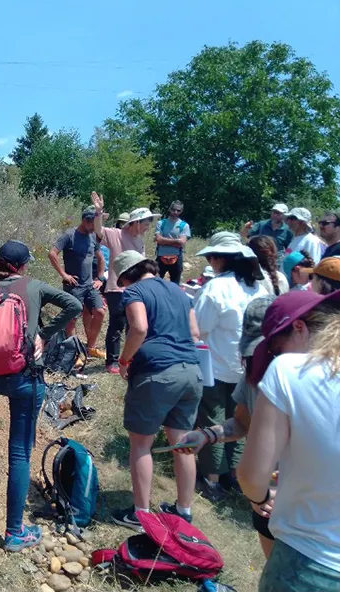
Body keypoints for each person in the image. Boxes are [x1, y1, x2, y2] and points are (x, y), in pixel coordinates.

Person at [0, 240, 82, 552]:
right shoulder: (34, 287)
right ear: (22, 266)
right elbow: (74, 306)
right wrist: (45, 336)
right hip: (26, 377)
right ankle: (13, 533)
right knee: (19, 452)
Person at [237, 289, 340, 592]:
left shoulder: (290, 371)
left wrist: (259, 497)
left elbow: (252, 476)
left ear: (299, 327)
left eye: (278, 349)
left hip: (310, 564)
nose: (278, 358)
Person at [107, 251, 203, 531]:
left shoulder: (135, 291)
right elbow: (195, 333)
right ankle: (183, 512)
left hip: (157, 373)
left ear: (127, 276)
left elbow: (138, 327)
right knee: (182, 445)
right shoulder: (179, 290)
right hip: (191, 371)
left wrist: (124, 360)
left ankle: (141, 516)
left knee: (140, 444)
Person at [177, 296, 277, 558]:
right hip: (266, 498)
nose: (262, 357)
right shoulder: (254, 372)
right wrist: (206, 435)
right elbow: (243, 422)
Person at [193, 232, 267, 501]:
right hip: (249, 367)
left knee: (213, 417)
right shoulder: (257, 287)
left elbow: (200, 328)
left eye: (212, 257)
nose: (211, 262)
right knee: (241, 420)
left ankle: (212, 480)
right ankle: (233, 476)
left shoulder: (216, 288)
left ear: (220, 259)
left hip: (217, 366)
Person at [91, 191, 160, 374]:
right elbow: (98, 230)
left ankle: (130, 358)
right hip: (116, 287)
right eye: (146, 224)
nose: (147, 227)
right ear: (136, 222)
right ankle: (111, 361)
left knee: (134, 324)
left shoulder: (140, 242)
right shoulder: (115, 234)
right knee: (117, 323)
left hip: (137, 289)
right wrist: (98, 212)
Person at [48, 207, 107, 358]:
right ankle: (72, 353)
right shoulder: (69, 235)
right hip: (74, 286)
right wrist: (64, 274)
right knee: (72, 319)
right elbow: (52, 253)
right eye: (92, 224)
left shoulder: (93, 236)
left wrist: (100, 278)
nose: (94, 227)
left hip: (90, 285)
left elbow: (100, 259)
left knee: (99, 312)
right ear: (85, 221)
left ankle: (91, 348)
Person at [155, 200, 191, 285]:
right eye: (174, 209)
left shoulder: (184, 225)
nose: (175, 212)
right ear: (170, 209)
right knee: (156, 282)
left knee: (175, 284)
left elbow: (182, 242)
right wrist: (176, 241)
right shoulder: (161, 223)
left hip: (176, 257)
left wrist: (164, 241)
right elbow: (158, 239)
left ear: (181, 211)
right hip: (161, 257)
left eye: (178, 210)